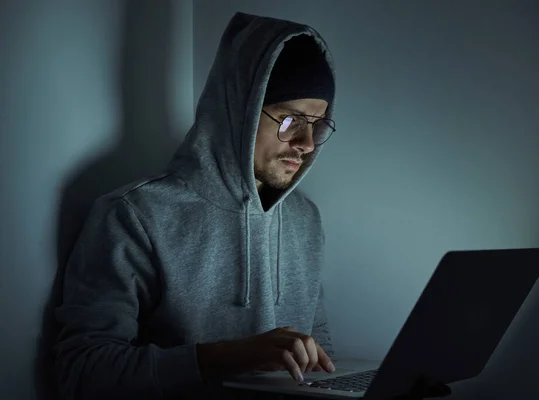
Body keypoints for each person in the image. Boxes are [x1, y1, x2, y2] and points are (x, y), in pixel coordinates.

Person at [54, 11, 338, 400]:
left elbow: (318, 349)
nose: (306, 144)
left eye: (318, 125)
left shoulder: (305, 219)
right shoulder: (134, 213)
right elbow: (82, 372)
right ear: (242, 109)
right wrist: (225, 357)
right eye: (291, 121)